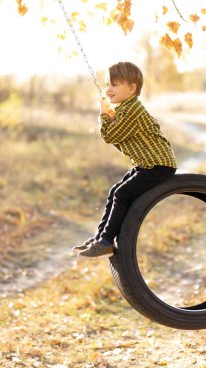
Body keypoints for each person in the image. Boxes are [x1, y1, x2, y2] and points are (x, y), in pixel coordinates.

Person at [73, 61, 177, 259]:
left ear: (131, 88)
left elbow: (110, 137)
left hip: (158, 165)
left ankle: (105, 241)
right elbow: (116, 135)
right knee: (115, 192)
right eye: (107, 85)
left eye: (114, 84)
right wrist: (111, 117)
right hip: (147, 164)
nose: (109, 89)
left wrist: (104, 115)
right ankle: (100, 238)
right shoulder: (124, 109)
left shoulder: (132, 110)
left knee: (122, 193)